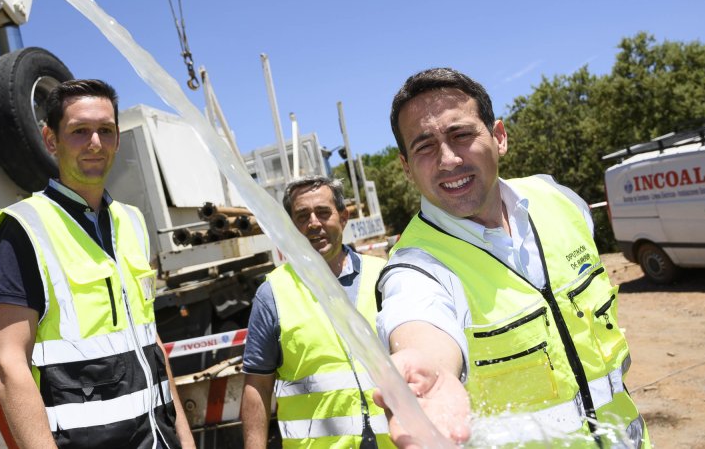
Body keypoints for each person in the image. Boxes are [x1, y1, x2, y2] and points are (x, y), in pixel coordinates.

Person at [376, 68, 647, 447]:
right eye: (424, 147)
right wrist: (431, 376)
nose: (449, 159)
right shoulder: (416, 267)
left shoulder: (561, 200)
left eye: (462, 135)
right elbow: (420, 326)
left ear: (499, 137)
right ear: (406, 167)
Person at [0, 79, 194, 449]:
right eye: (79, 131)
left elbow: (150, 342)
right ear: (51, 140)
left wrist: (185, 440)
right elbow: (7, 365)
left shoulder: (131, 222)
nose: (95, 143)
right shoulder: (23, 229)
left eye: (106, 131)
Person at [241, 176, 394, 449]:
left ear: (343, 217)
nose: (313, 223)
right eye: (302, 217)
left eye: (323, 212)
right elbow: (258, 387)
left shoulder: (383, 276)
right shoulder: (273, 293)